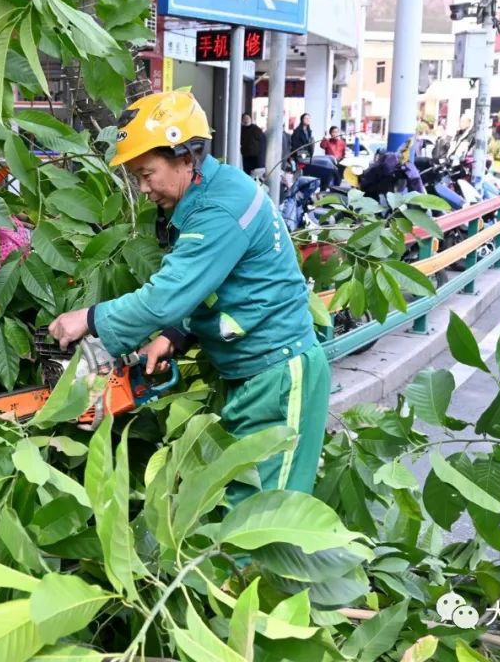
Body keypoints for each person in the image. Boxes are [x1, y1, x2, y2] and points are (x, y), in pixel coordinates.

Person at [47, 91, 331, 499]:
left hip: (279, 375)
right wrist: (176, 334)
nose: (143, 188)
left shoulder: (219, 209)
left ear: (186, 156)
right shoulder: (204, 196)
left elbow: (166, 296)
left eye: (147, 174)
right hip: (254, 374)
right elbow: (209, 284)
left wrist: (90, 319)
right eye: (136, 177)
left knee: (263, 520)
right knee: (232, 505)